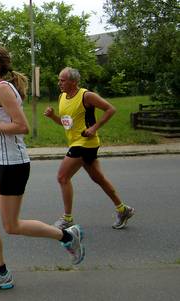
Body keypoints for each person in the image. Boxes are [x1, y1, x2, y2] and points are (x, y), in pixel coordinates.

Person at [0, 46, 85, 293]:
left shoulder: (2, 88)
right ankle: (1, 273)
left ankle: (67, 236)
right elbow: (3, 124)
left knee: (12, 226)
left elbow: (22, 127)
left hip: (14, 164)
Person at [44, 67, 135, 230]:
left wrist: (94, 127)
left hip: (86, 143)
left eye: (62, 80)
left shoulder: (86, 96)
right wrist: (53, 117)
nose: (59, 83)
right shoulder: (62, 97)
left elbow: (110, 109)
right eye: (59, 80)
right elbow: (67, 124)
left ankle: (67, 218)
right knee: (98, 178)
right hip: (75, 142)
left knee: (62, 177)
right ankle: (123, 209)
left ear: (74, 81)